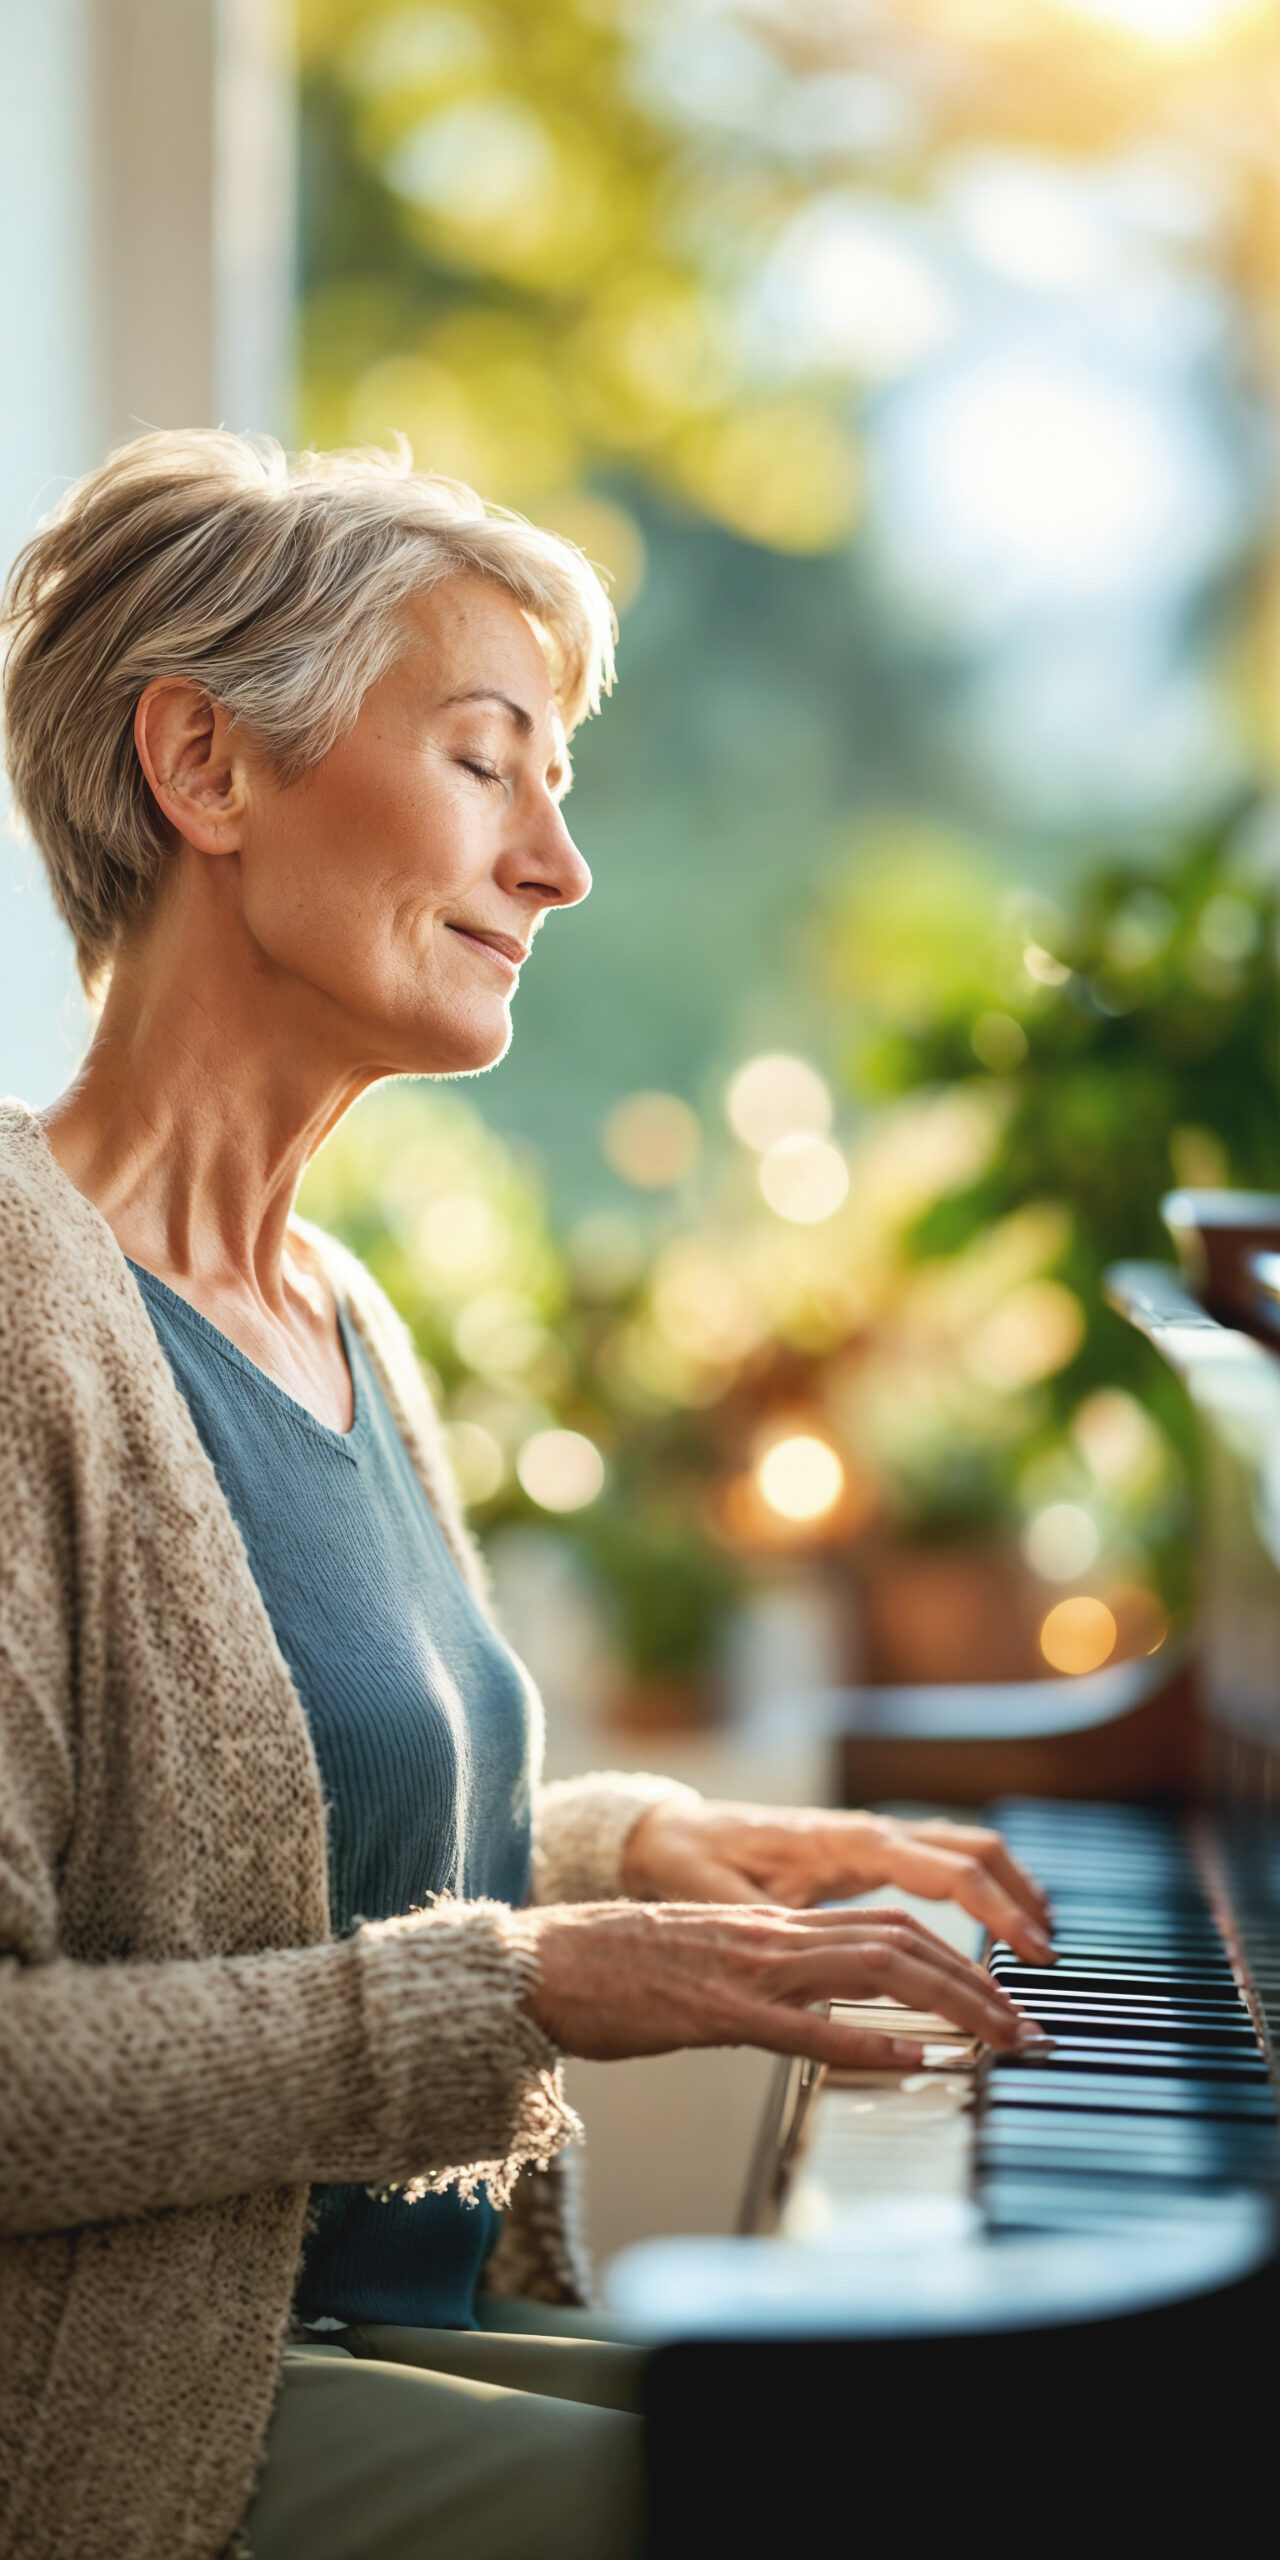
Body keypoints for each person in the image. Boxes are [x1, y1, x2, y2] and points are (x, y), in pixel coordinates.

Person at [0, 432, 1052, 2560]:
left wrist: (644, 1851)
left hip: (369, 2330)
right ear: (205, 763)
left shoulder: (333, 1305)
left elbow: (249, 1852)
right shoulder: (21, 1305)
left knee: (1007, 2431)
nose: (558, 863)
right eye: (490, 762)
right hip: (122, 2429)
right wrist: (542, 1972)